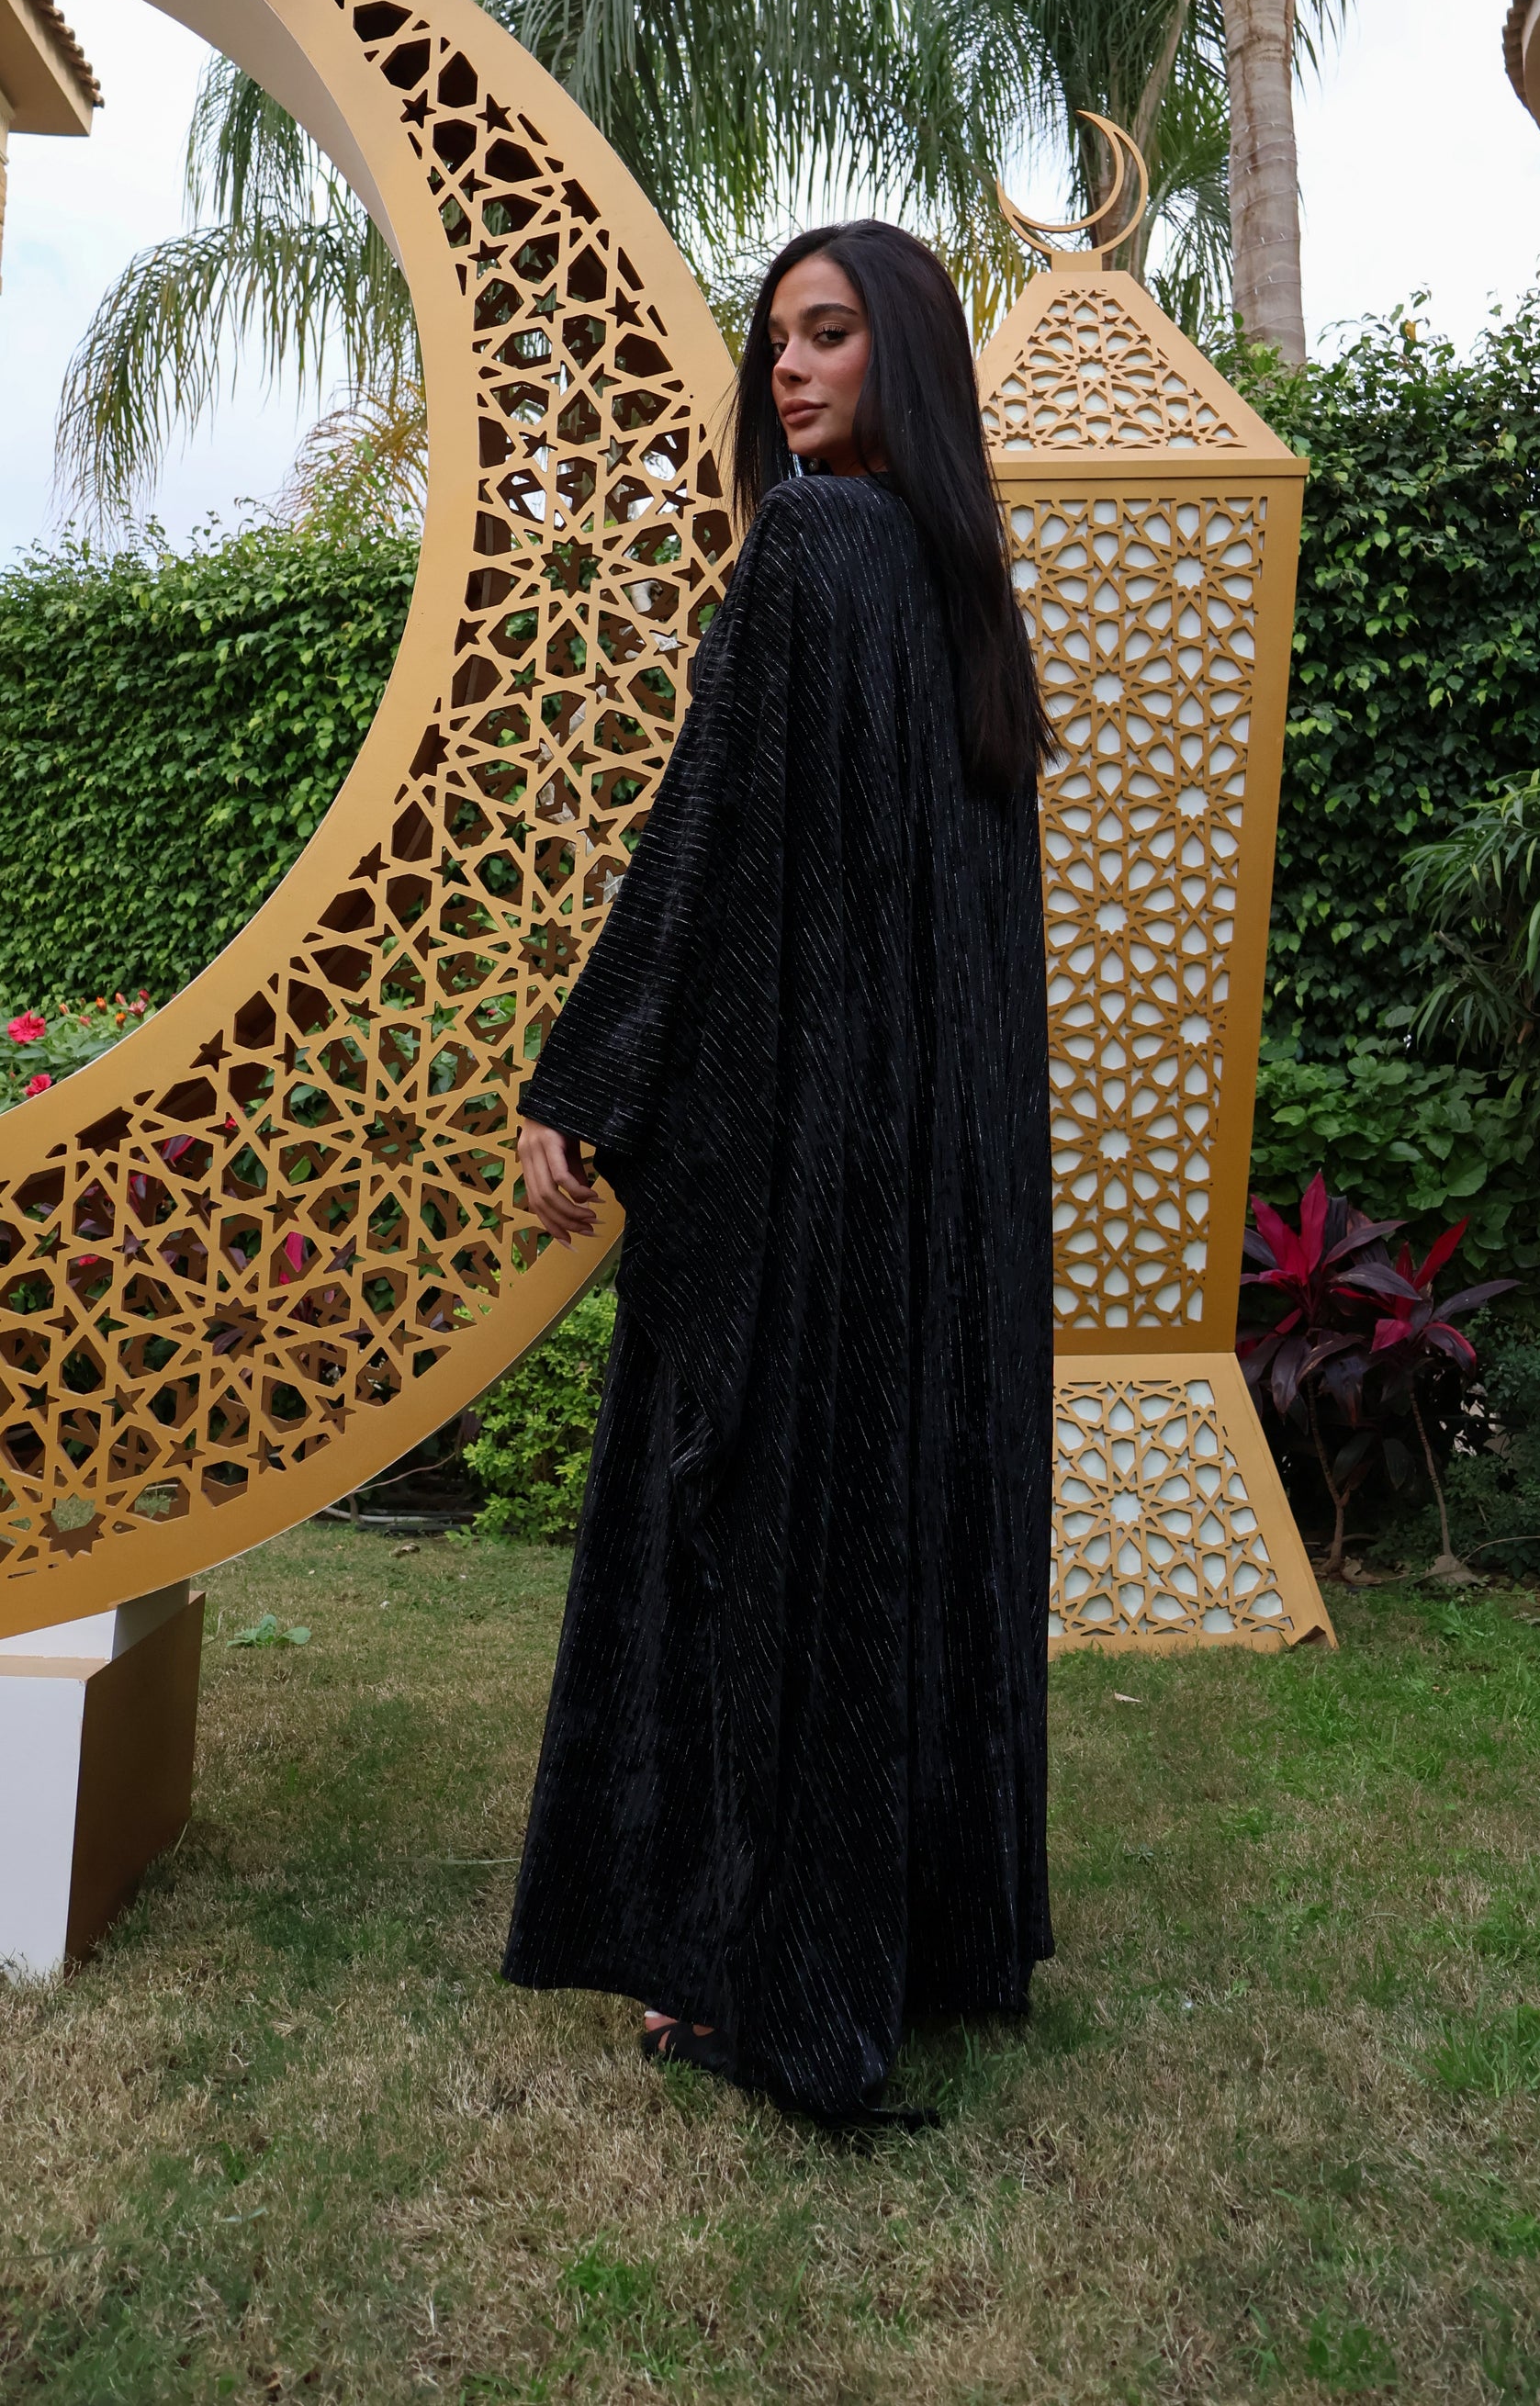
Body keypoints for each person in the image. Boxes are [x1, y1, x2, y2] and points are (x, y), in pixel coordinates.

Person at [500, 219, 1054, 2125]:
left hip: (816, 1171)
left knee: (760, 1516)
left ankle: (758, 1958)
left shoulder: (814, 544)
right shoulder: (965, 598)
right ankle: (914, 1937)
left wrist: (588, 1077)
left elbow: (711, 836)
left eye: (826, 334)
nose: (788, 370)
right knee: (896, 1521)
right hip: (926, 1183)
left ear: (904, 351)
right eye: (775, 342)